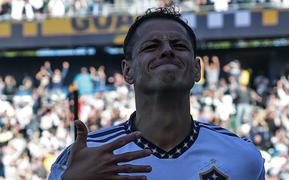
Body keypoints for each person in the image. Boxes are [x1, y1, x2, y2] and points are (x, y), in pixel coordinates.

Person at [49, 6, 265, 180]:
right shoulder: (88, 156)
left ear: (197, 69)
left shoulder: (241, 156)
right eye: (151, 46)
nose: (167, 50)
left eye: (179, 45)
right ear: (127, 70)